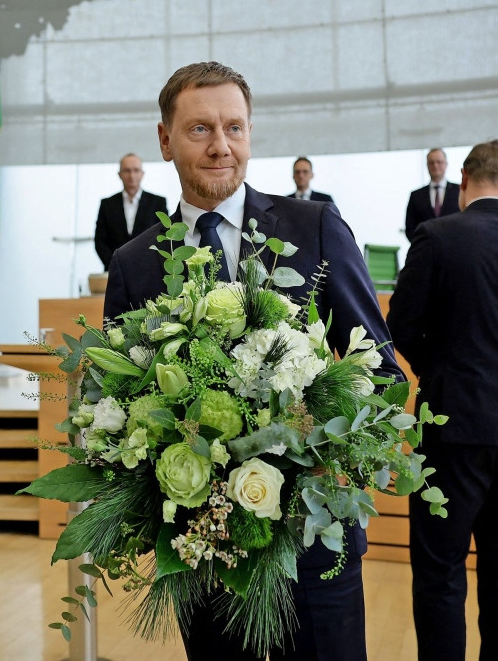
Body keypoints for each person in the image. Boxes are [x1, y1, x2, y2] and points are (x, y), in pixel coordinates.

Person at [104, 61, 402, 661]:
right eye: (200, 130)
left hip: (314, 548)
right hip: (203, 560)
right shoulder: (134, 263)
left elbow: (383, 373)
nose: (221, 147)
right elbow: (116, 408)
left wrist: (325, 446)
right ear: (165, 139)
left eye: (234, 128)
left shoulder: (314, 227)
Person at [386, 139, 498, 661]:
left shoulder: (436, 236)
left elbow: (401, 325)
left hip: (453, 424)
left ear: (463, 181)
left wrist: (439, 369)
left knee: (441, 570)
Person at [93, 153, 168, 268]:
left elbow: (164, 237)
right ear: (119, 174)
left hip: (148, 270)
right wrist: (114, 264)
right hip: (115, 270)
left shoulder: (158, 203)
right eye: (127, 171)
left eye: (136, 170)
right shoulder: (107, 204)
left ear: (142, 174)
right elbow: (100, 241)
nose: (131, 175)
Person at [405, 148, 460, 240]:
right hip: (425, 249)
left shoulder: (459, 191)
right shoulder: (416, 196)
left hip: (454, 248)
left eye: (439, 162)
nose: (435, 165)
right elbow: (410, 228)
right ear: (427, 165)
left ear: (446, 164)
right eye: (431, 162)